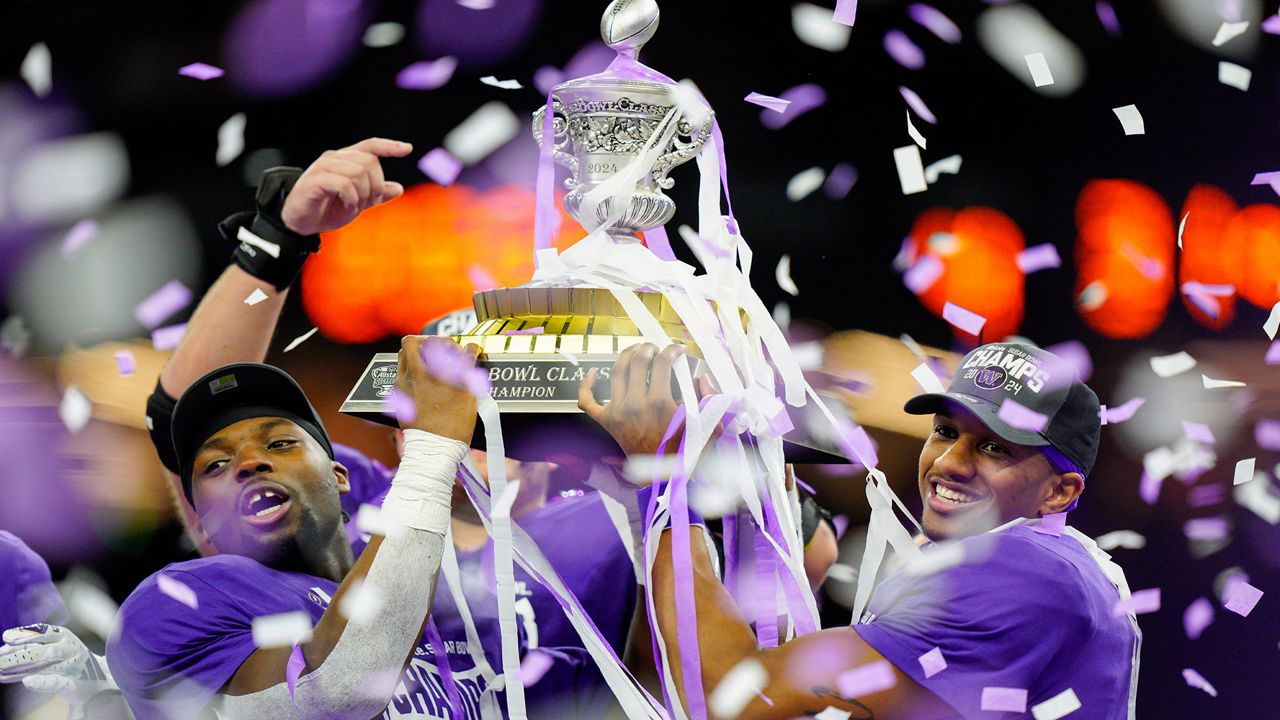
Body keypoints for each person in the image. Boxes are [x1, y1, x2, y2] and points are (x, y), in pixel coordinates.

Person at [582, 341, 1141, 720]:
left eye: (995, 447)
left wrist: (665, 477)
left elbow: (725, 697)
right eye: (946, 431)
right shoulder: (1053, 565)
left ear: (1060, 492)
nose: (949, 463)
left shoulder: (1025, 573)